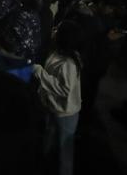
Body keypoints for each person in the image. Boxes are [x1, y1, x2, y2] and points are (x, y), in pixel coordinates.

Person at [33, 20, 83, 175]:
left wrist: (39, 72)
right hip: (53, 108)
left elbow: (64, 89)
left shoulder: (68, 63)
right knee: (48, 142)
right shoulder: (59, 53)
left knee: (65, 152)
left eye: (57, 29)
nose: (54, 30)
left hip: (65, 114)